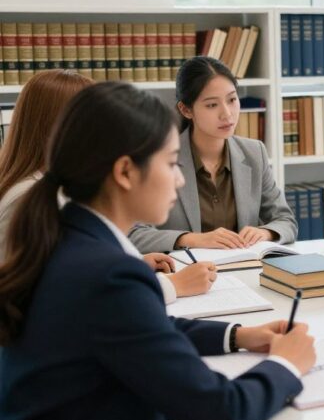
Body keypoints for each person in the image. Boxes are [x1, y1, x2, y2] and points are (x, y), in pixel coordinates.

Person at [0, 82, 316, 420]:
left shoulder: (67, 238)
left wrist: (238, 335)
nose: (181, 180)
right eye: (170, 164)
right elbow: (223, 415)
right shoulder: (107, 274)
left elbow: (144, 327)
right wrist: (287, 364)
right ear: (125, 172)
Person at [0, 69, 214, 300]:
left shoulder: (56, 188)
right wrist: (171, 285)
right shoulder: (27, 199)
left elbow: (73, 272)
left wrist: (133, 266)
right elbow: (51, 298)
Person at [129, 56, 297, 253]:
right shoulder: (159, 157)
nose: (227, 114)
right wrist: (193, 239)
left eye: (232, 100)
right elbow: (133, 233)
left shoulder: (254, 153)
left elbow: (286, 221)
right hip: (184, 275)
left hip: (244, 272)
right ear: (186, 109)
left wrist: (266, 233)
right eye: (211, 105)